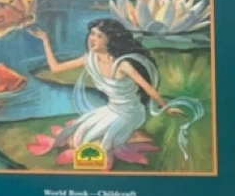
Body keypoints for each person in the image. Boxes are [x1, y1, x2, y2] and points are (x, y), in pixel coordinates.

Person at [27, 17, 169, 167]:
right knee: (73, 138)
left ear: (110, 41)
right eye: (92, 33)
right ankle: (128, 136)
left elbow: (147, 88)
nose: (92, 39)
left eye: (99, 36)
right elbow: (55, 68)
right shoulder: (90, 59)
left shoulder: (122, 65)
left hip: (130, 113)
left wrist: (166, 107)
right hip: (112, 109)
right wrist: (45, 40)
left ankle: (129, 136)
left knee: (89, 143)